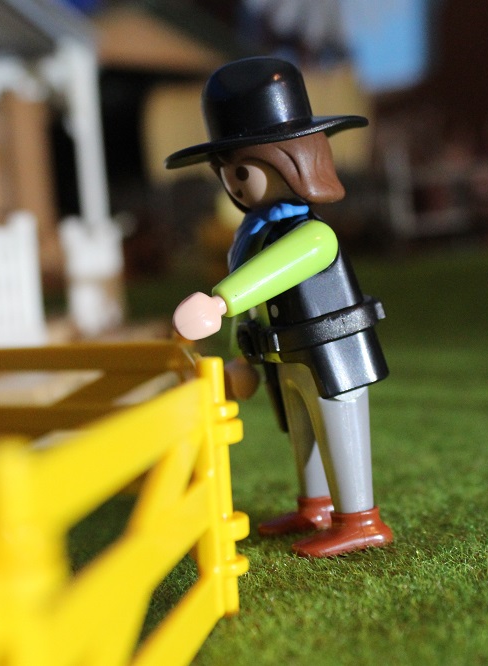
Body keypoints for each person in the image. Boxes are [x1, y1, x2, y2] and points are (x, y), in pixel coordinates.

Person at [167, 57, 392, 557]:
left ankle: (361, 519)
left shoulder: (312, 235)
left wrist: (220, 300)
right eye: (226, 174)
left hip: (332, 353)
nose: (234, 185)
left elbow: (271, 275)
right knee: (303, 433)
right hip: (284, 354)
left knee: (337, 430)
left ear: (291, 161)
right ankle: (316, 506)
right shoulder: (252, 235)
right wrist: (241, 358)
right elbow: (255, 305)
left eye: (242, 171)